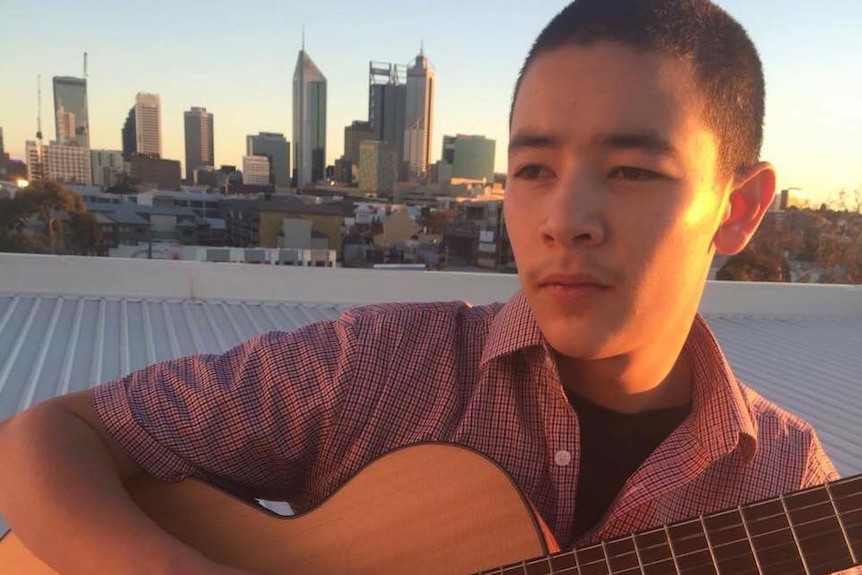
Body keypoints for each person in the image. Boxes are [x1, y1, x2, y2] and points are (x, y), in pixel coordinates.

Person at [0, 0, 846, 574]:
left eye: (631, 169)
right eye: (534, 167)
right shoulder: (385, 366)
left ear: (738, 209)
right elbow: (46, 440)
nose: (565, 217)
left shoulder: (787, 488)